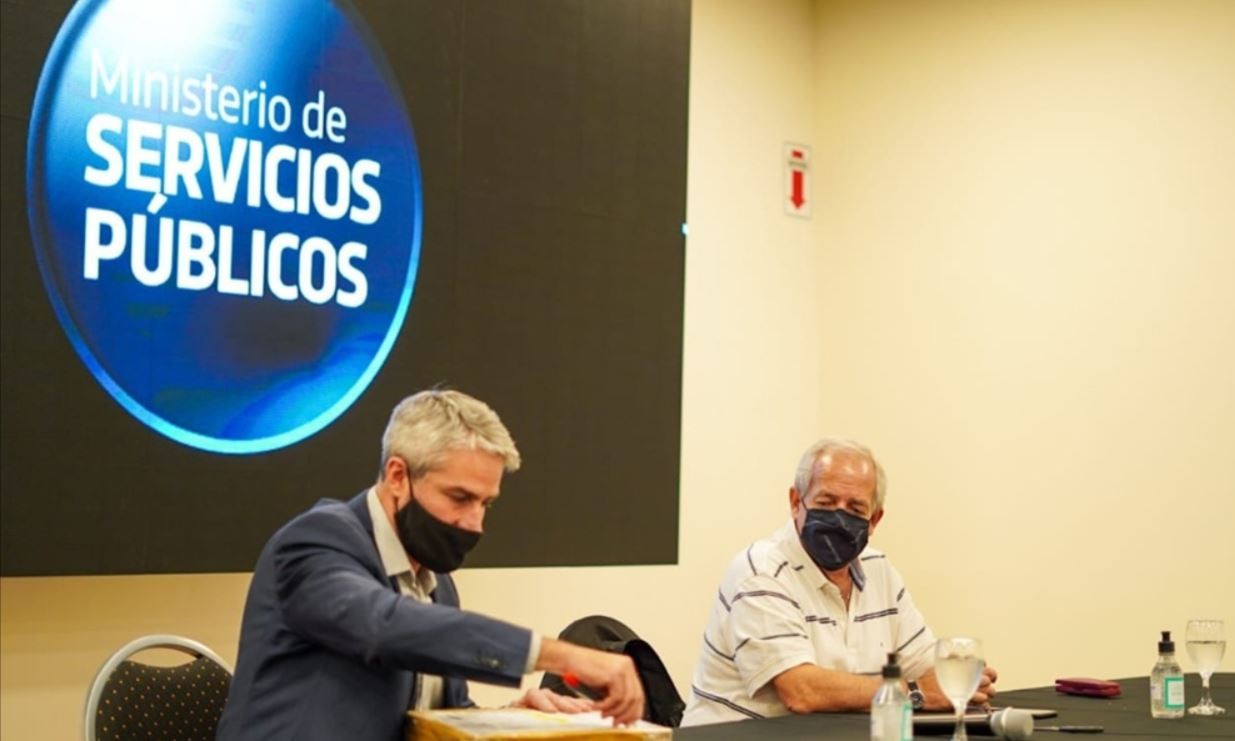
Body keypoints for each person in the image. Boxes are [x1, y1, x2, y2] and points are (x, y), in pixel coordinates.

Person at [217, 389, 644, 740]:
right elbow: (385, 626)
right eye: (459, 498)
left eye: (486, 503)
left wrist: (513, 717)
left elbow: (435, 718)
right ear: (398, 476)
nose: (474, 523)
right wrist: (564, 657)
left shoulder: (435, 580)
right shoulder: (313, 544)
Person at [681, 438, 997, 725]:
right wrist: (915, 692)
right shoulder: (760, 570)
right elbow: (801, 691)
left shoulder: (879, 569)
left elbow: (927, 667)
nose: (839, 517)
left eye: (855, 508)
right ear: (795, 501)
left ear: (874, 520)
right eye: (826, 503)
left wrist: (958, 679)